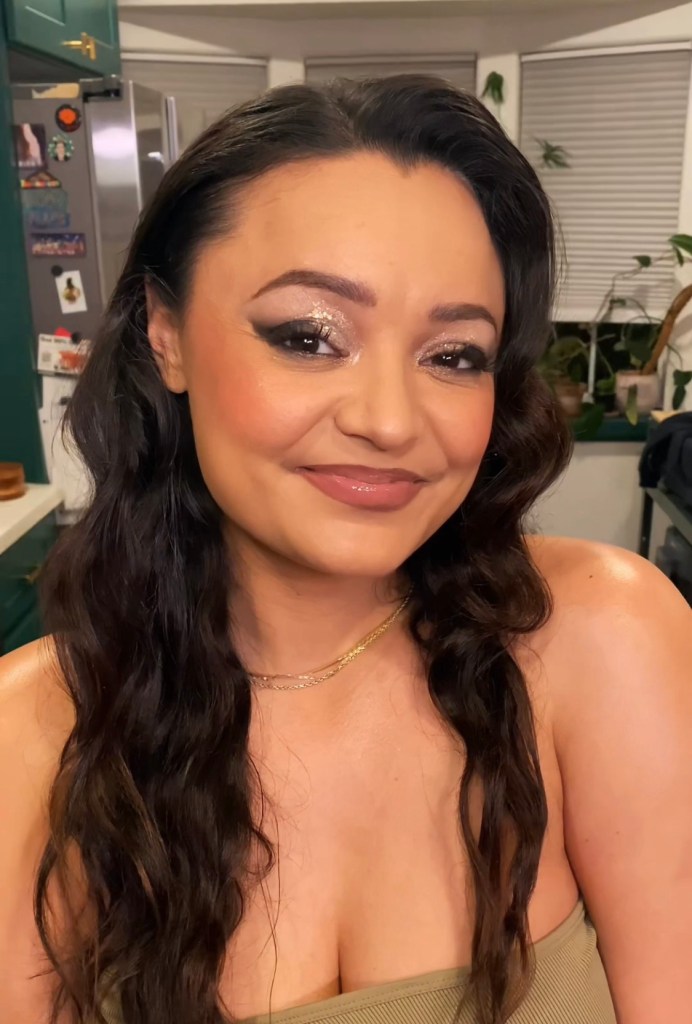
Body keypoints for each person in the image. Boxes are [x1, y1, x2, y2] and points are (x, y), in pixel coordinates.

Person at [0, 76, 690, 1024]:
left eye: (454, 355)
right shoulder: (28, 739)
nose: (390, 421)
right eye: (309, 337)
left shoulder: (601, 642)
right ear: (166, 334)